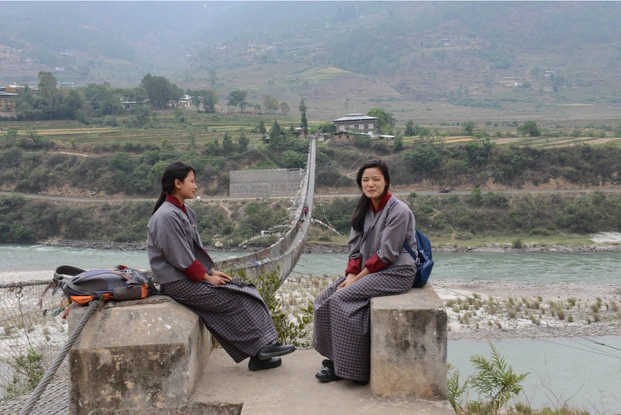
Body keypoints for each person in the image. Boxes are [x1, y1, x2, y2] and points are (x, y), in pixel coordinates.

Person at [147, 161, 295, 371]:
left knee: (245, 289)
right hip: (177, 282)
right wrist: (207, 278)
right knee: (237, 297)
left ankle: (261, 352)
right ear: (178, 183)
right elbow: (178, 256)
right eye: (192, 181)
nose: (195, 186)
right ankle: (261, 348)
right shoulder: (166, 216)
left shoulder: (185, 212)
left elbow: (194, 250)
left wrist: (211, 271)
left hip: (189, 277)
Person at [313, 159, 417, 383]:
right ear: (360, 184)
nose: (370, 184)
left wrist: (356, 279)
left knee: (340, 299)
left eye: (376, 179)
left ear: (386, 181)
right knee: (323, 299)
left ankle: (349, 369)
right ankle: (334, 357)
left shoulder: (399, 210)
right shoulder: (364, 209)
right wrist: (351, 274)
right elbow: (355, 248)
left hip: (396, 273)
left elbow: (387, 254)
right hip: (370, 272)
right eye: (365, 180)